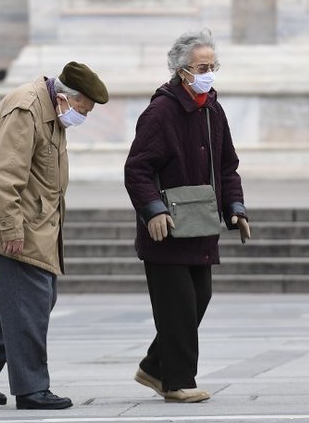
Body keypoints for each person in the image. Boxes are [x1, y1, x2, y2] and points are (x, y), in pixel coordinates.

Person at [0, 62, 109, 410]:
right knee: (30, 305)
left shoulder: (51, 108)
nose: (83, 117)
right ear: (69, 98)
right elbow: (3, 173)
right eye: (84, 109)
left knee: (34, 303)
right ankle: (32, 390)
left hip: (37, 226)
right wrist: (10, 228)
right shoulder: (27, 108)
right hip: (18, 228)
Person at [124, 29, 250, 403]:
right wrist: (152, 210)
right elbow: (137, 169)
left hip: (201, 224)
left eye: (213, 66)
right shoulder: (160, 111)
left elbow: (228, 166)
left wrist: (236, 208)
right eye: (202, 67)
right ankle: (175, 381)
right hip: (167, 228)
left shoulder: (212, 108)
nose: (209, 73)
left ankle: (152, 366)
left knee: (199, 297)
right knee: (177, 305)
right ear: (183, 71)